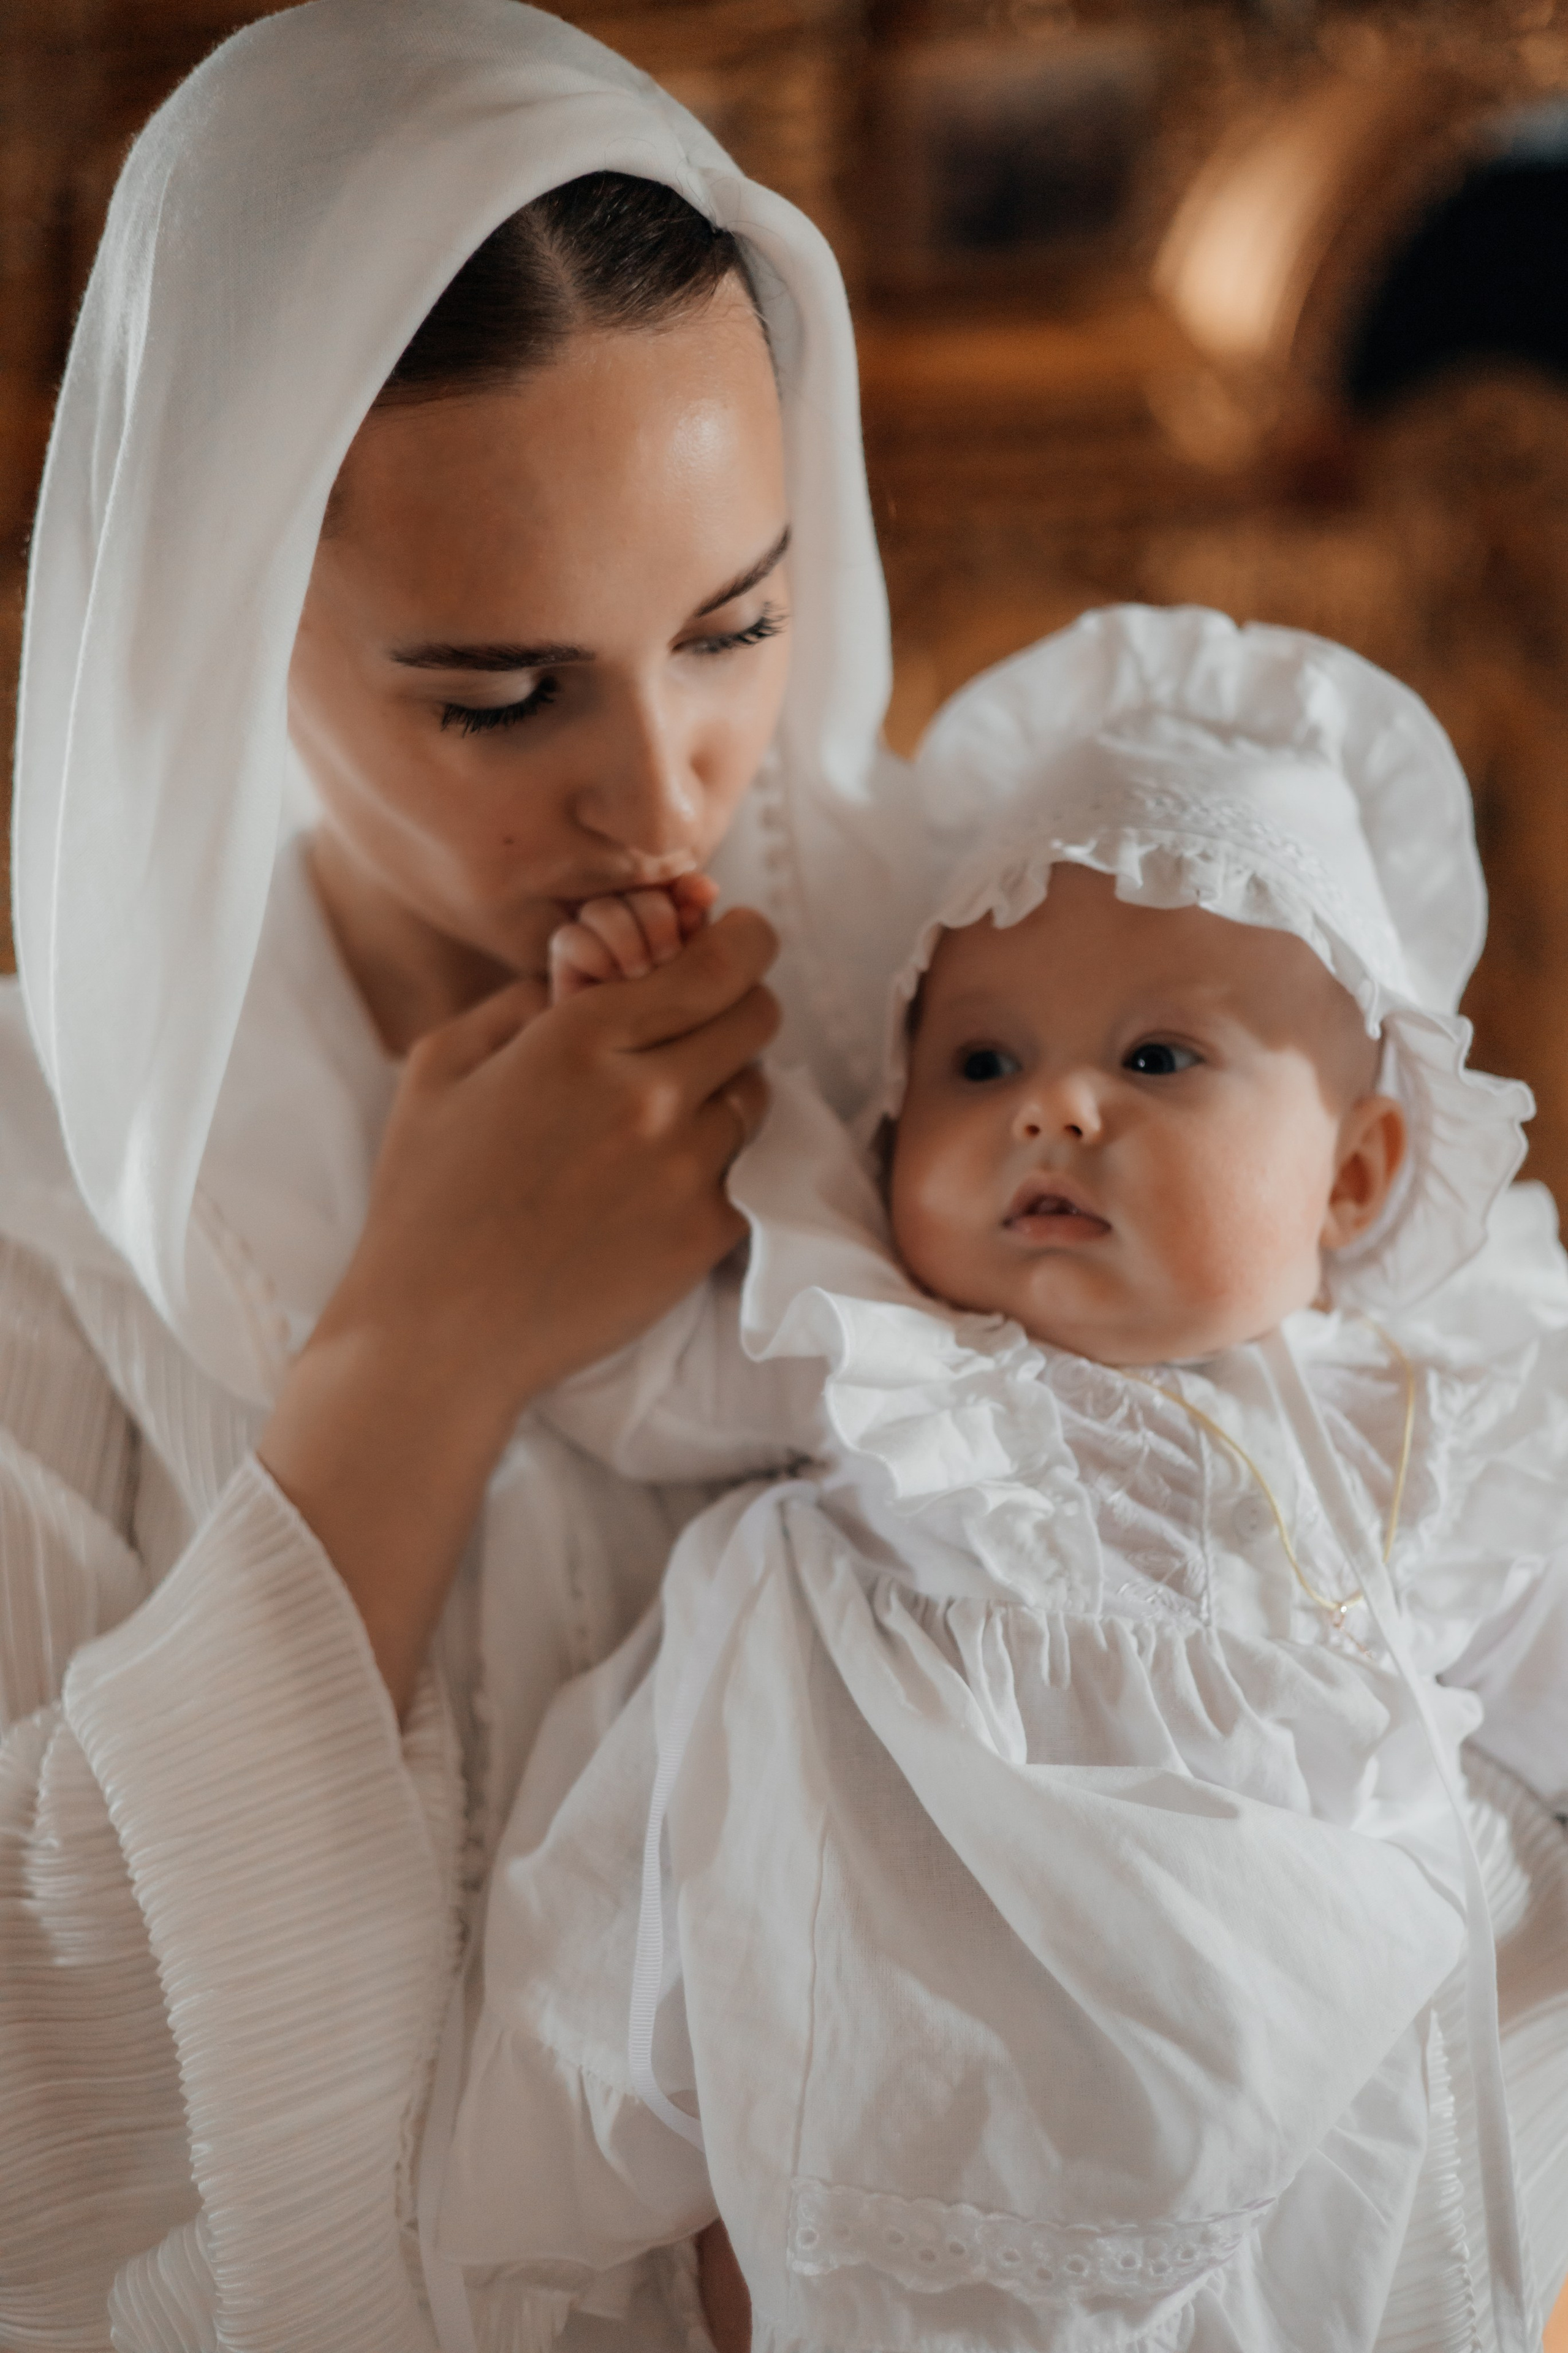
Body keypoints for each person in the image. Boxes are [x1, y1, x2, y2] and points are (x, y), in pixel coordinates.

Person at [0, 4, 927, 2347]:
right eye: (503, 696)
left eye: (734, 627)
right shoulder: (36, 1196)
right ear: (220, 639)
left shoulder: (972, 1042)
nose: (663, 790)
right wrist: (421, 1354)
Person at [434, 608, 1568, 2353]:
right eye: (980, 1063)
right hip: (926, 2012)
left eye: (1158, 1058)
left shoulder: (1420, 1420)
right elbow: (616, 1371)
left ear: (1356, 1179)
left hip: (1294, 2041)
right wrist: (619, 1043)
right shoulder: (885, 1354)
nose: (1054, 1109)